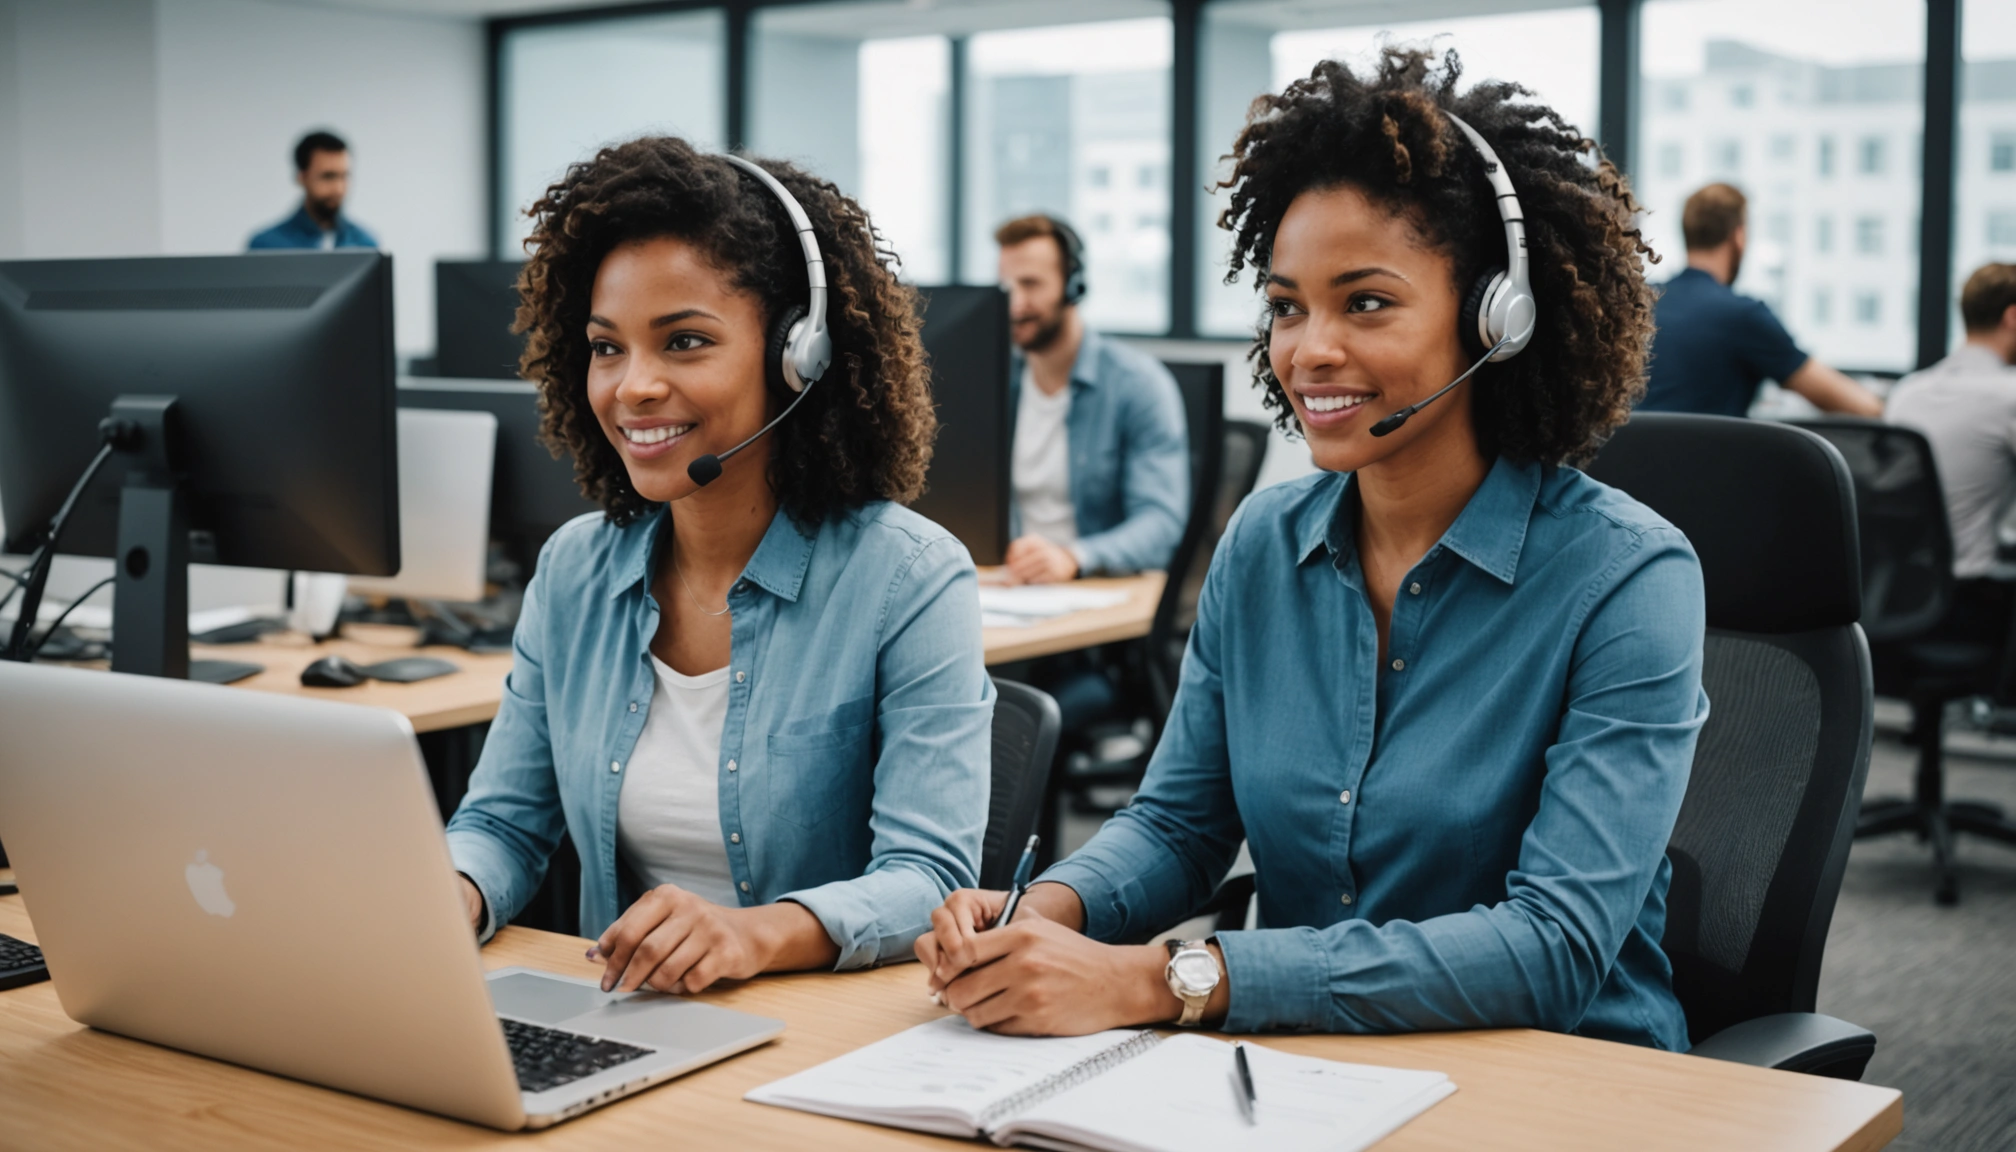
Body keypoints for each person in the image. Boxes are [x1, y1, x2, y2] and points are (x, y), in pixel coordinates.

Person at [918, 48, 1710, 1052]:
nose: (1307, 350)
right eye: (1288, 305)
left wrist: (1173, 978)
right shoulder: (1261, 546)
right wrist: (1046, 915)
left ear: (1497, 322)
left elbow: (1552, 946)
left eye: (1365, 302)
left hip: (1562, 1078)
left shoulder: (1627, 580)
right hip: (1301, 1066)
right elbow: (1178, 826)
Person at [445, 137, 994, 997]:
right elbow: (505, 824)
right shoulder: (575, 571)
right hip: (625, 1025)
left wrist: (754, 935)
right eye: (607, 346)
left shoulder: (908, 579)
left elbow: (928, 876)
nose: (633, 387)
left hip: (821, 1038)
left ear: (798, 359)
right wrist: (451, 894)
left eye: (686, 342)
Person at [994, 214, 1189, 584]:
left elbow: (1161, 526)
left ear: (1073, 284)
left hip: (1093, 590)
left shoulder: (1137, 384)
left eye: (1031, 284)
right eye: (1006, 287)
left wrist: (1073, 558)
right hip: (1010, 586)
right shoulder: (997, 383)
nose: (1015, 303)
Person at [1637, 183, 1879, 417]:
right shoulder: (1741, 315)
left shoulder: (1641, 302)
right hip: (1709, 458)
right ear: (1739, 236)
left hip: (1625, 456)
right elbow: (1858, 405)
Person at [1884, 263, 2016, 640]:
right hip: (1974, 602)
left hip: (1903, 593)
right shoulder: (2008, 394)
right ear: (2012, 316)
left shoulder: (1908, 390)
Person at [247, 130, 379, 251]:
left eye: (344, 176)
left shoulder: (365, 244)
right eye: (328, 176)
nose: (338, 188)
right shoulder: (266, 246)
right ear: (302, 177)